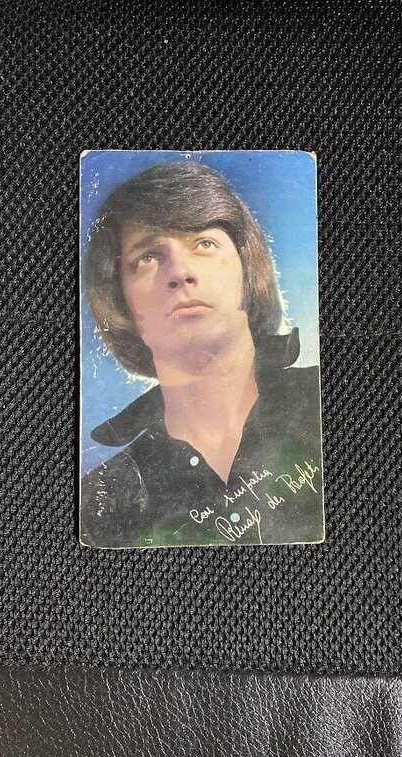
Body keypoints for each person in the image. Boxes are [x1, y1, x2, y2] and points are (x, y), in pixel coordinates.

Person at [81, 160, 323, 547]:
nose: (180, 271)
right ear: (123, 305)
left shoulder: (321, 400)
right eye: (148, 257)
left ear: (248, 272)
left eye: (204, 244)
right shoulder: (102, 503)